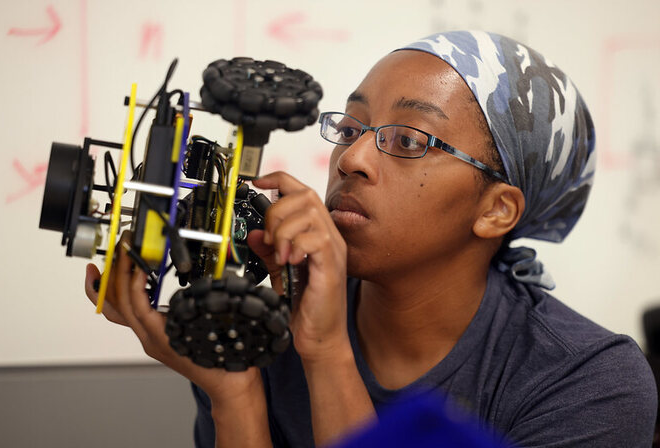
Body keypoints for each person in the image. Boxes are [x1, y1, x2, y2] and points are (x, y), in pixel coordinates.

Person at [84, 31, 657, 447]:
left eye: (409, 140)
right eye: (351, 129)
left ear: (496, 209)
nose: (351, 159)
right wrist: (233, 393)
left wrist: (328, 351)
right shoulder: (258, 326)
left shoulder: (586, 382)